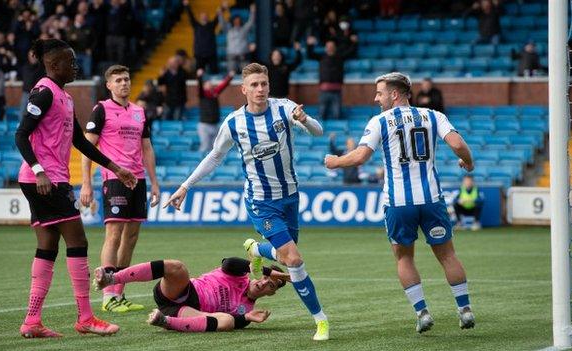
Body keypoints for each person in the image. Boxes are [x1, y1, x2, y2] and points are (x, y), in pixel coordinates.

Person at [164, 63, 330, 341]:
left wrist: (304, 120)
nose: (260, 89)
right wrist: (185, 186)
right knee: (294, 260)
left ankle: (256, 249)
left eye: (264, 83)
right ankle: (320, 320)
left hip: (290, 197)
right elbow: (214, 156)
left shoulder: (284, 108)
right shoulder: (234, 123)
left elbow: (318, 131)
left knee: (287, 254)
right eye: (254, 85)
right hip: (261, 202)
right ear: (244, 90)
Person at [324, 72, 475, 333]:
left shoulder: (380, 121)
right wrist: (468, 163)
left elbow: (360, 157)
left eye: (379, 93)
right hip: (431, 200)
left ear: (394, 94)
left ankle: (423, 313)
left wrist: (334, 161)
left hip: (398, 202)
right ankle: (464, 310)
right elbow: (458, 144)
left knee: (404, 258)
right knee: (448, 255)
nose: (376, 98)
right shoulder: (432, 115)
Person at [14, 38, 137, 338]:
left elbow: (80, 142)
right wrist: (40, 171)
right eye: (70, 61)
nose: (75, 65)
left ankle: (32, 321)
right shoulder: (44, 92)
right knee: (78, 241)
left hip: (49, 179)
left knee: (47, 248)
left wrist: (116, 168)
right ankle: (85, 317)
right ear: (54, 65)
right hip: (45, 181)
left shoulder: (64, 97)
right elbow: (21, 135)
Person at [81, 64, 161, 313]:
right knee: (114, 235)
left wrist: (154, 182)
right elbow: (87, 147)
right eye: (118, 80)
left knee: (132, 237)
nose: (124, 83)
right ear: (109, 85)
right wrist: (86, 182)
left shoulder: (139, 111)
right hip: (114, 178)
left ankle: (119, 291)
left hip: (138, 180)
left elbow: (146, 148)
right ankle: (107, 296)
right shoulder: (101, 110)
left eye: (126, 79)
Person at [92, 257, 289, 332]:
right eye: (264, 278)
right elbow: (228, 263)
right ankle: (112, 279)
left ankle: (165, 322)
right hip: (181, 291)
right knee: (177, 267)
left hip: (186, 312)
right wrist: (266, 270)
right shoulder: (239, 273)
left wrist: (245, 317)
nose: (264, 284)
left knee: (227, 322)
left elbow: (238, 321)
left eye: (270, 286)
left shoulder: (248, 309)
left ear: (271, 294)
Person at [306, 35, 357, 120]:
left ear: (335, 47)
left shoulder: (340, 57)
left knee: (337, 114)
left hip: (336, 91)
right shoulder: (321, 57)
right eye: (328, 46)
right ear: (325, 47)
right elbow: (310, 54)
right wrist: (309, 45)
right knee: (322, 114)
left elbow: (351, 52)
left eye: (331, 46)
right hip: (323, 91)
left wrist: (354, 43)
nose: (330, 48)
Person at [197, 68, 234, 152]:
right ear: (204, 86)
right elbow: (199, 87)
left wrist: (230, 77)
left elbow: (223, 85)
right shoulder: (202, 95)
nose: (209, 85)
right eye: (207, 84)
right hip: (204, 124)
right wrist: (199, 77)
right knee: (205, 146)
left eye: (210, 83)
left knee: (216, 148)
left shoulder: (214, 93)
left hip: (215, 124)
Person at [184, 0, 219, 74]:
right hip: (199, 54)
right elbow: (191, 16)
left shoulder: (211, 25)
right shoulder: (196, 25)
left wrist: (222, 8)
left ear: (208, 17)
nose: (204, 17)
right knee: (199, 73)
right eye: (202, 16)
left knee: (214, 71)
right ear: (200, 17)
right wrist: (187, 6)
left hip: (211, 53)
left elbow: (217, 18)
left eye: (205, 16)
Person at [219, 3, 255, 73]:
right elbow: (222, 22)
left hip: (243, 55)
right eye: (235, 21)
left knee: (246, 73)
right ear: (232, 21)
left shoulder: (244, 29)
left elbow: (251, 22)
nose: (237, 22)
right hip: (231, 55)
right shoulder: (228, 29)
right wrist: (221, 11)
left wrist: (252, 11)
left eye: (238, 21)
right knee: (231, 74)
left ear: (241, 21)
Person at [157, 56, 188, 121]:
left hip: (179, 101)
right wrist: (160, 76)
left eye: (174, 62)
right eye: (170, 63)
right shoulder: (166, 73)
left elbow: (184, 80)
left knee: (177, 119)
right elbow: (160, 83)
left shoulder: (182, 72)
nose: (172, 64)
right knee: (164, 118)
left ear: (177, 63)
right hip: (169, 100)